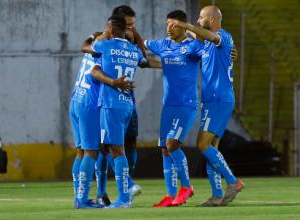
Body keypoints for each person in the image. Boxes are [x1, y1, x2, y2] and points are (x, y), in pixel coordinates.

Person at [168, 5, 244, 207]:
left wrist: (185, 24)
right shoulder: (207, 44)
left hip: (219, 98)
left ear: (211, 20)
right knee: (212, 148)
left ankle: (233, 182)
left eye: (201, 17)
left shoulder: (223, 36)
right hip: (212, 98)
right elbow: (195, 38)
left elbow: (205, 35)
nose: (198, 20)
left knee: (202, 144)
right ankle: (217, 195)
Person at [144, 10, 203, 207]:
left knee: (172, 144)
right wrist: (129, 36)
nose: (169, 28)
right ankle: (170, 195)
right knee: (164, 149)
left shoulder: (193, 46)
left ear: (183, 26)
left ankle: (186, 187)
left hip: (187, 105)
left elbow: (211, 50)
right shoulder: (163, 44)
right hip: (168, 105)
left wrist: (229, 53)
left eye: (174, 25)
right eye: (167, 24)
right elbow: (141, 43)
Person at [69, 34, 133, 209]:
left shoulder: (90, 52)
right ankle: (83, 200)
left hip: (76, 100)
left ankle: (82, 195)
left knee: (81, 153)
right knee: (92, 153)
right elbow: (96, 73)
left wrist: (91, 37)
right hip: (90, 105)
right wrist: (114, 82)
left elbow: (87, 44)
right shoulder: (104, 54)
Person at [91, 14, 146, 208]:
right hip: (127, 104)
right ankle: (125, 189)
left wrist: (103, 34)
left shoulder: (105, 45)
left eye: (107, 27)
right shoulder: (133, 50)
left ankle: (124, 196)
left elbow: (92, 46)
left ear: (111, 28)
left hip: (111, 103)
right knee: (108, 147)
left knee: (116, 149)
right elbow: (143, 58)